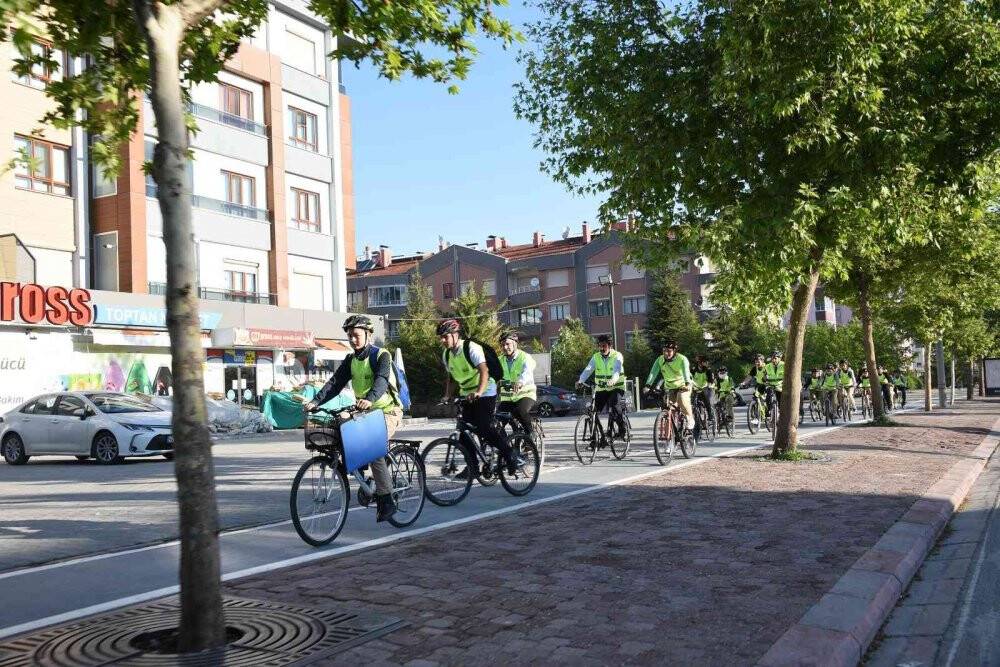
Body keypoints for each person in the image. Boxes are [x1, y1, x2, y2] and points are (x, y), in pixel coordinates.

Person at [305, 315, 402, 522]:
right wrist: (315, 402)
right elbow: (335, 383)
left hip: (388, 411)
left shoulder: (381, 355)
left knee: (373, 449)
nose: (353, 340)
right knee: (342, 426)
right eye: (350, 336)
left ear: (368, 335)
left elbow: (382, 380)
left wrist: (369, 398)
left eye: (356, 335)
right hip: (366, 412)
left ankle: (386, 500)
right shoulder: (351, 360)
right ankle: (367, 479)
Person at [438, 318, 520, 475]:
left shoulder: (471, 348)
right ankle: (473, 468)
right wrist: (447, 395)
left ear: (455, 335)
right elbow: (451, 377)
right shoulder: (447, 354)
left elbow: (484, 371)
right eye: (441, 337)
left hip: (485, 390)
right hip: (466, 393)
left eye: (445, 336)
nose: (442, 340)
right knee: (463, 431)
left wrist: (479, 392)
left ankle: (510, 454)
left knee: (484, 427)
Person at [578, 334, 628, 441]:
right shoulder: (596, 357)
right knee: (593, 411)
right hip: (602, 389)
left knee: (614, 404)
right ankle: (598, 438)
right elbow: (588, 369)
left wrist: (613, 380)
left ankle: (622, 429)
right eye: (600, 346)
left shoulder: (617, 355)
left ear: (609, 346)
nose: (601, 348)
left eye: (604, 346)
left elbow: (617, 370)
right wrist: (580, 380)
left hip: (617, 387)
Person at [644, 340, 694, 432]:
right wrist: (648, 385)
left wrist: (687, 383)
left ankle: (690, 419)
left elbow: (686, 372)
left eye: (669, 351)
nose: (666, 353)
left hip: (684, 385)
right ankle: (669, 439)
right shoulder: (660, 359)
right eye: (664, 350)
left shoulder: (682, 359)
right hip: (670, 387)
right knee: (668, 409)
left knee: (681, 398)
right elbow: (653, 372)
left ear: (674, 351)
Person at [498, 331, 537, 445]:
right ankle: (505, 446)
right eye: (502, 345)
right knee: (495, 423)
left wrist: (520, 381)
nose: (505, 347)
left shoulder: (525, 357)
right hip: (508, 397)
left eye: (507, 344)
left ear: (515, 343)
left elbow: (527, 372)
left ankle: (531, 434)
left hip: (526, 394)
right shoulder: (500, 360)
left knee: (520, 411)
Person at [692, 355, 717, 433]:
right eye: (705, 362)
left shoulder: (708, 370)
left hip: (707, 388)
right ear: (700, 363)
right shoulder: (693, 370)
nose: (707, 363)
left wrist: (707, 386)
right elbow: (689, 379)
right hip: (696, 389)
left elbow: (711, 381)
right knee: (692, 403)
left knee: (707, 400)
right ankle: (696, 420)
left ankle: (710, 416)